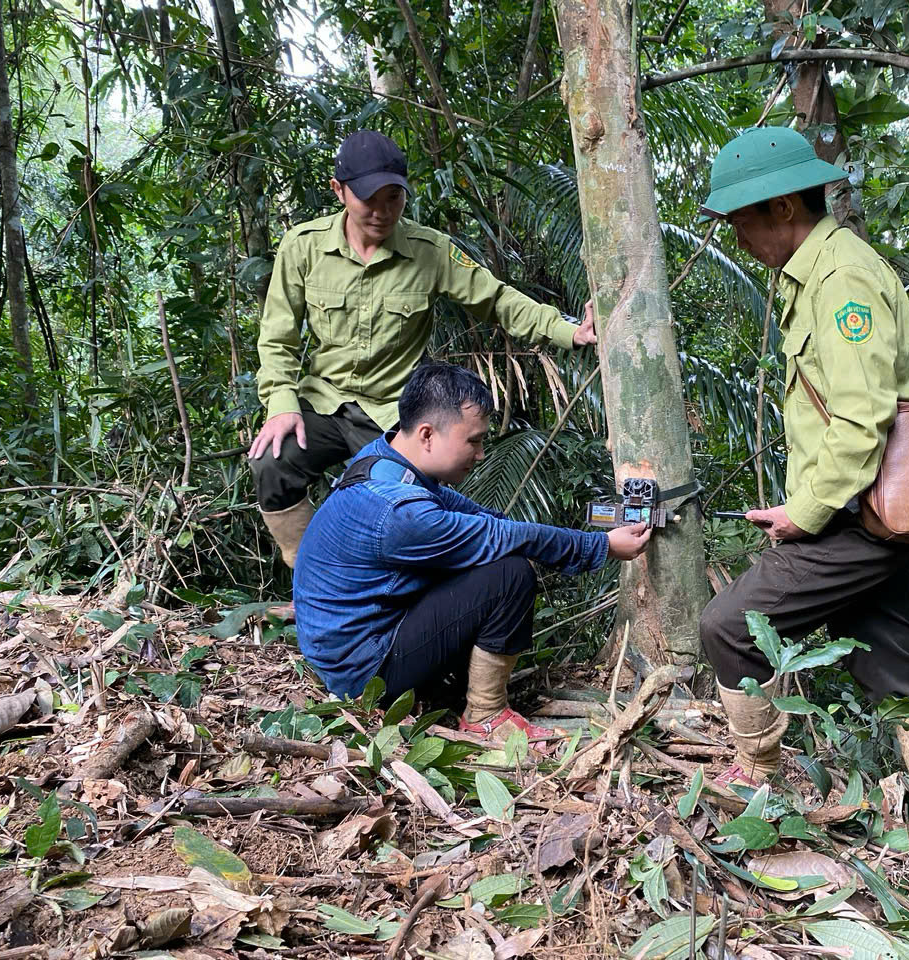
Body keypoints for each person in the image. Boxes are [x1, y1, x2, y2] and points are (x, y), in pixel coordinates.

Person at [696, 126, 909, 830]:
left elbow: (862, 416)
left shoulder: (841, 277)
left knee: (729, 626)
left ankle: (759, 780)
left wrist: (803, 513)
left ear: (784, 208)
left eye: (742, 220)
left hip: (855, 513)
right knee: (900, 672)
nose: (737, 237)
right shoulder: (816, 272)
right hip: (872, 510)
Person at [249, 130, 596, 568]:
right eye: (368, 199)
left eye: (394, 198)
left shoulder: (429, 251)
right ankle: (310, 572)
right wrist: (282, 404)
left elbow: (499, 300)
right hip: (323, 400)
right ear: (339, 191)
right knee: (271, 460)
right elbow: (277, 337)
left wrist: (569, 331)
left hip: (395, 411)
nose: (381, 211)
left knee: (412, 505)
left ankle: (403, 598)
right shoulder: (303, 246)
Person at [291, 362, 651, 742]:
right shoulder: (400, 514)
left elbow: (473, 514)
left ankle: (461, 692)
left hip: (351, 643)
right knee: (509, 574)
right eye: (474, 441)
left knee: (489, 555)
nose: (480, 454)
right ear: (427, 434)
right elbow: (507, 537)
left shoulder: (384, 457)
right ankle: (486, 714)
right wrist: (603, 546)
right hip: (364, 672)